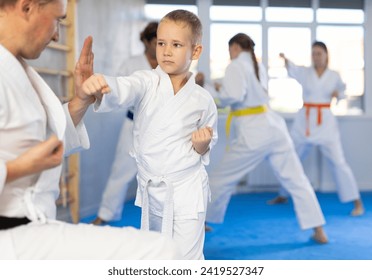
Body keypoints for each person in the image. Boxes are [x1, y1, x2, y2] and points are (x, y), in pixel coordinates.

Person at [0, 0, 179, 259]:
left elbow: (44, 139)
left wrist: (81, 100)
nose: (56, 34)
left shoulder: (17, 67)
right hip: (12, 236)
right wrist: (19, 168)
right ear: (27, 8)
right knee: (160, 252)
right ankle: (106, 213)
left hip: (34, 227)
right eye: (57, 20)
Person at [81, 9, 218, 259]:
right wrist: (103, 86)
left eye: (176, 45)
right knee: (160, 255)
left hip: (187, 188)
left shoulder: (203, 99)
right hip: (154, 189)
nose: (166, 51)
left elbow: (206, 145)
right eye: (162, 43)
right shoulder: (146, 80)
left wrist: (202, 144)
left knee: (188, 258)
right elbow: (126, 86)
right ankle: (106, 212)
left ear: (195, 51)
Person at [205, 33, 328, 244]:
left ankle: (199, 221)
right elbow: (243, 91)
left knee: (220, 178)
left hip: (254, 132)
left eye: (230, 50)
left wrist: (211, 92)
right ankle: (319, 230)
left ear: (234, 47)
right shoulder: (256, 65)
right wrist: (219, 87)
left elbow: (233, 96)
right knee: (297, 180)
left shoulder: (235, 65)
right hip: (274, 126)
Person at [267, 41, 364, 216]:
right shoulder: (305, 72)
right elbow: (293, 70)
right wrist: (285, 60)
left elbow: (343, 91)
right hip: (305, 122)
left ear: (326, 55)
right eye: (314, 53)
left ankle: (356, 202)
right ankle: (283, 194)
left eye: (319, 53)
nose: (316, 57)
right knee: (292, 157)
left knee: (338, 162)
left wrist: (338, 95)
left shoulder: (334, 75)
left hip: (325, 122)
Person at [92, 21, 158, 226]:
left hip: (162, 129)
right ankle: (105, 214)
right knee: (120, 172)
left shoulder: (169, 64)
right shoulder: (132, 63)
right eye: (157, 42)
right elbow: (118, 90)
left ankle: (181, 220)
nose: (160, 47)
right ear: (146, 42)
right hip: (134, 125)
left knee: (167, 176)